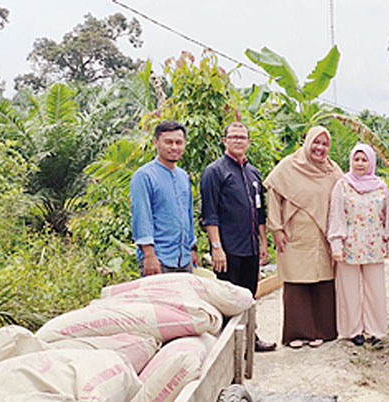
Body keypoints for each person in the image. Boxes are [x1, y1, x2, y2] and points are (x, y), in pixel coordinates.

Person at [199, 121, 277, 353]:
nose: (238, 141)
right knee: (228, 300)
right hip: (228, 249)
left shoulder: (253, 173)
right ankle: (226, 349)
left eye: (242, 137)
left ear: (248, 141)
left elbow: (259, 211)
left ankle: (250, 339)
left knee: (249, 296)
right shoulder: (215, 172)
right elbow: (209, 214)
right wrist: (216, 247)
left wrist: (263, 243)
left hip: (251, 247)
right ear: (224, 141)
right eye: (233, 137)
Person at [264, 126, 343, 349]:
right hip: (293, 235)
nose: (320, 148)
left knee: (322, 281)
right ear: (307, 142)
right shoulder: (289, 166)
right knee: (296, 283)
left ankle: (322, 331)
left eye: (324, 144)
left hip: (322, 236)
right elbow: (273, 196)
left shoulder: (332, 170)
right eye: (316, 143)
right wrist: (276, 229)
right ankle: (297, 333)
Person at [327, 143, 389, 348]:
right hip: (349, 246)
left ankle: (375, 331)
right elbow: (336, 216)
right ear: (351, 161)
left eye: (364, 159)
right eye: (356, 159)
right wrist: (336, 245)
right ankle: (353, 331)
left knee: (375, 291)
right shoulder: (342, 185)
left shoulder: (381, 186)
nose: (360, 164)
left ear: (371, 162)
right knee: (349, 291)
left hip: (374, 246)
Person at [131, 120, 198, 276]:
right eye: (168, 142)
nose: (174, 147)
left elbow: (188, 215)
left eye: (179, 142)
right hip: (159, 259)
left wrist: (192, 248)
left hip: (184, 259)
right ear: (156, 143)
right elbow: (142, 217)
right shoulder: (144, 176)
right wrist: (149, 255)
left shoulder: (183, 176)